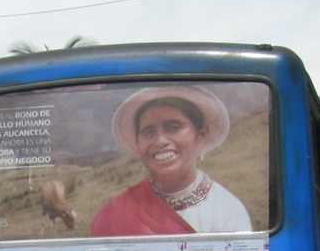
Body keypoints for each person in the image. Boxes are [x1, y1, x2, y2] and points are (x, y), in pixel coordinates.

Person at [90, 85, 252, 237]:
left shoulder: (228, 211)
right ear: (138, 143)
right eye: (148, 132)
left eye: (173, 127)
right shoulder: (115, 213)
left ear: (201, 135)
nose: (160, 141)